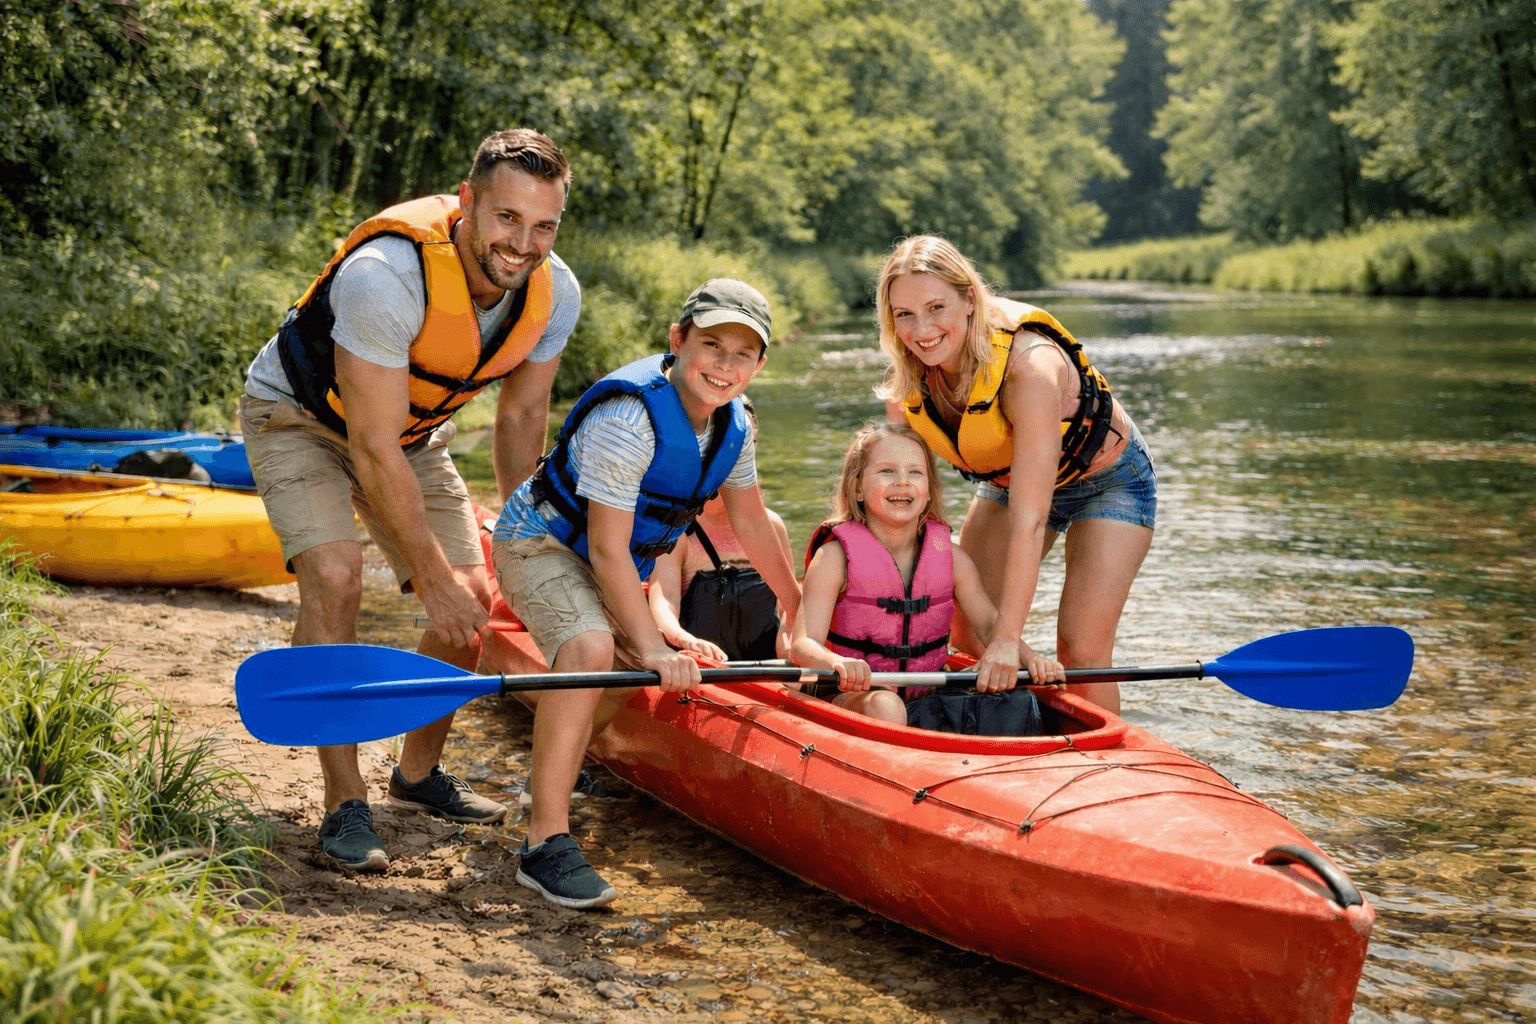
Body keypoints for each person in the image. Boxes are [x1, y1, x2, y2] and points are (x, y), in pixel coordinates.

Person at [238, 128, 580, 872]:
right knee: (335, 577)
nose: (523, 244)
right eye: (506, 219)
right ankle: (343, 803)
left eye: (543, 225)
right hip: (300, 419)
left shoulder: (557, 294)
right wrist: (428, 576)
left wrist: (526, 542)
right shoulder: (384, 278)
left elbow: (522, 420)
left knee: (472, 606)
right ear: (467, 204)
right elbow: (367, 447)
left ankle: (417, 774)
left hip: (413, 438)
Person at [491, 278, 803, 909]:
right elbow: (607, 549)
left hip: (603, 560)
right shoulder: (629, 419)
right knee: (590, 649)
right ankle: (543, 842)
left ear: (760, 365)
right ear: (678, 339)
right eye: (711, 344)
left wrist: (795, 603)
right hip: (539, 544)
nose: (725, 365)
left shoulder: (734, 425)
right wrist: (655, 646)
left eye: (743, 354)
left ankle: (549, 777)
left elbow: (748, 521)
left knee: (630, 674)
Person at [875, 235, 1156, 713]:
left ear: (970, 299)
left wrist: (1010, 638)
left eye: (936, 307)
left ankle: (1104, 763)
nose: (922, 330)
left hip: (1109, 482)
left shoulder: (1029, 369)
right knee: (966, 630)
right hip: (1009, 480)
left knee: (1081, 648)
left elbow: (1030, 518)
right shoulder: (909, 379)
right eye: (904, 314)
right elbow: (902, 500)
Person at [791, 422, 1001, 724]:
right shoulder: (833, 559)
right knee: (887, 706)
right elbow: (802, 645)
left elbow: (991, 625)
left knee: (1014, 700)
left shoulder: (952, 558)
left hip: (927, 694)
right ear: (858, 488)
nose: (902, 482)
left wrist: (1030, 658)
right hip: (854, 696)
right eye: (887, 471)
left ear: (929, 491)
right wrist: (837, 662)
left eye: (915, 472)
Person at [647, 397, 794, 664]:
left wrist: (792, 639)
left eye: (743, 446)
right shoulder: (677, 533)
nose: (731, 456)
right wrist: (682, 638)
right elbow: (663, 603)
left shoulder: (772, 526)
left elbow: (790, 608)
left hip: (769, 672)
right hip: (704, 673)